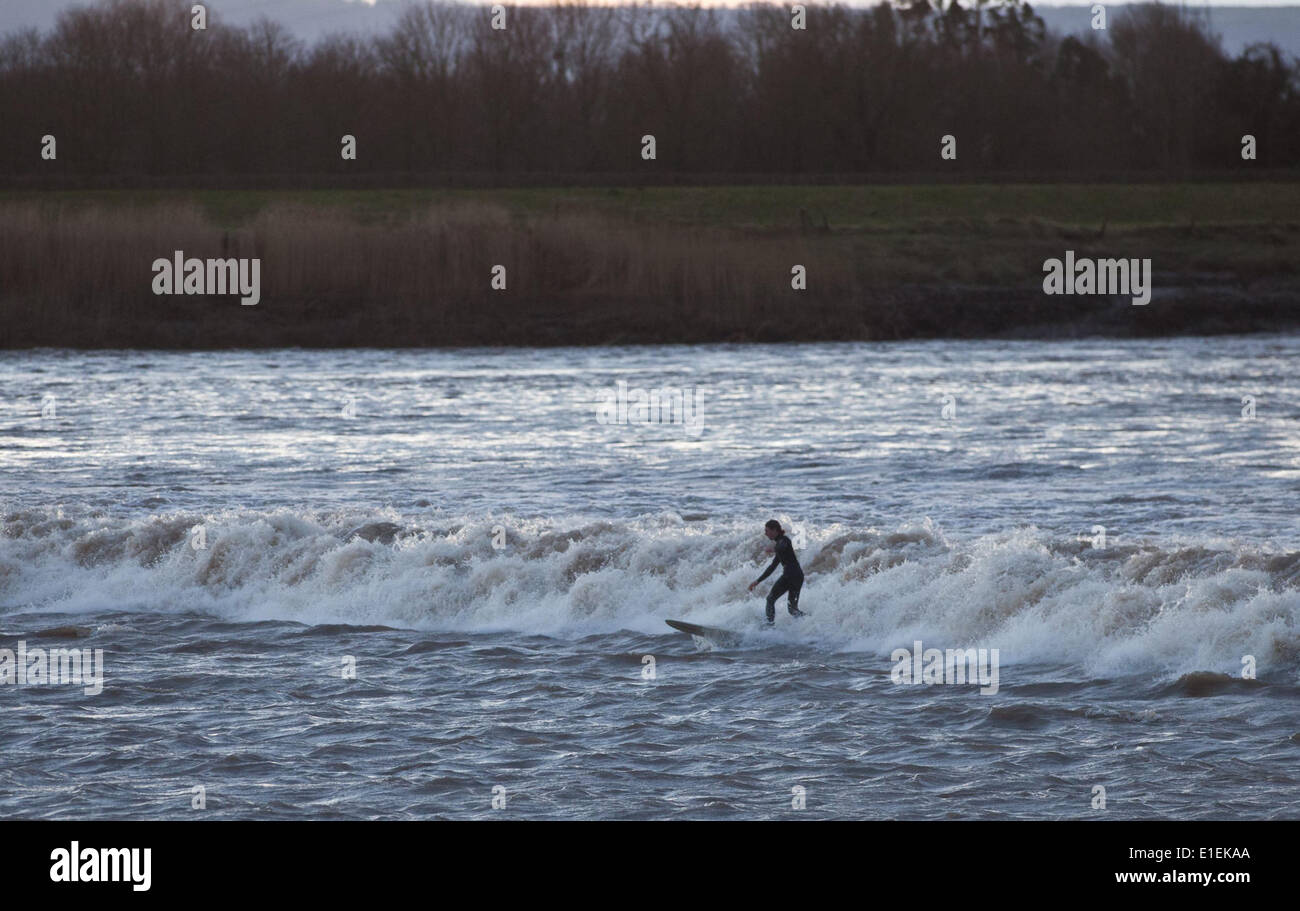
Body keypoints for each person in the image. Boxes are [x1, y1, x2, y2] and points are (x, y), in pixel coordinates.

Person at [747, 519, 806, 624]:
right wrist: (757, 581)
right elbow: (772, 567)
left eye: (767, 531)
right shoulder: (780, 545)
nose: (765, 533)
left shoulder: (784, 540)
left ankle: (769, 626)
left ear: (775, 530)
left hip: (790, 576)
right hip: (797, 576)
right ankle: (811, 621)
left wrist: (774, 549)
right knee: (792, 610)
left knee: (770, 599)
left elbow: (782, 546)